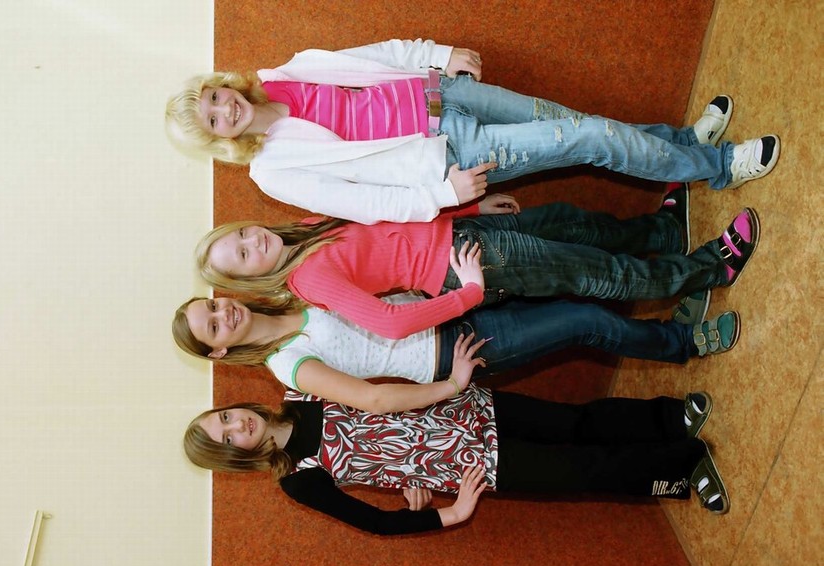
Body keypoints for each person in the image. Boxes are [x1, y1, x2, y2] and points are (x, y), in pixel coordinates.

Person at [165, 38, 780, 223]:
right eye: (212, 120)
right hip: (456, 151)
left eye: (214, 97)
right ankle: (719, 167)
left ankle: (684, 144)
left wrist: (437, 55)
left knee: (572, 122)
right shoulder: (272, 170)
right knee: (586, 139)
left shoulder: (284, 73)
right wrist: (442, 194)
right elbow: (364, 204)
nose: (224, 110)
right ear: (217, 140)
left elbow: (375, 57)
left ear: (221, 84)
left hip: (447, 94)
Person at [193, 183, 760, 338]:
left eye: (241, 234)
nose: (252, 243)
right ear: (249, 281)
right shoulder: (309, 277)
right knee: (595, 273)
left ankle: (663, 230)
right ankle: (711, 268)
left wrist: (468, 207)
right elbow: (388, 324)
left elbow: (393, 217)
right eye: (241, 257)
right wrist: (466, 295)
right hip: (469, 263)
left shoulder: (304, 232)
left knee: (575, 223)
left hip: (465, 230)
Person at [183, 380, 730, 535]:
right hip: (470, 466)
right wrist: (449, 514)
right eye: (226, 439)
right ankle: (681, 470)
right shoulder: (297, 480)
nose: (237, 426)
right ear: (236, 458)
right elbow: (373, 522)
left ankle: (670, 418)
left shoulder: (299, 389)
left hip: (466, 405)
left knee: (576, 422)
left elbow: (379, 380)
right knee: (587, 471)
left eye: (225, 417)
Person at [171, 287, 740, 412]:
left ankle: (669, 330)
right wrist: (450, 385)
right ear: (219, 352)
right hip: (453, 349)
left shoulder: (285, 292)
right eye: (213, 328)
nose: (225, 315)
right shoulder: (287, 365)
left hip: (447, 304)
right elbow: (371, 399)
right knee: (582, 322)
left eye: (213, 307)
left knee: (575, 300)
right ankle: (687, 341)